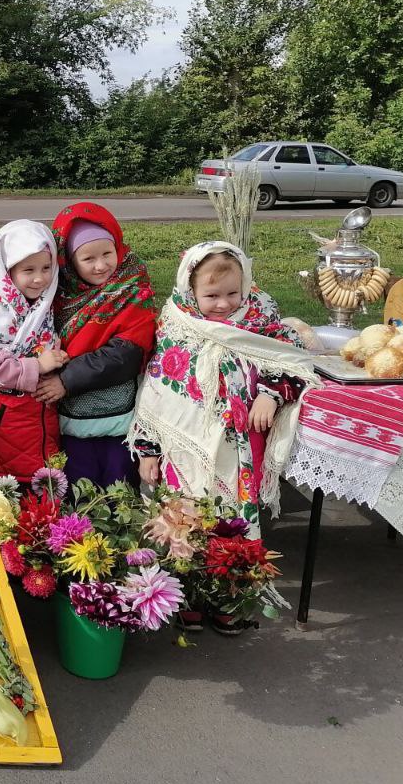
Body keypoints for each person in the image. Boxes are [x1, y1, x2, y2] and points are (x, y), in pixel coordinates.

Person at [128, 241, 317, 631]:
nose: (223, 304)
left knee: (233, 524)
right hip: (183, 451)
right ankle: (190, 597)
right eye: (211, 295)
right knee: (183, 522)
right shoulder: (178, 326)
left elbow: (292, 360)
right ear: (190, 290)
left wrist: (268, 392)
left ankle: (230, 600)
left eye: (233, 293)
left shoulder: (260, 321)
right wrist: (148, 450)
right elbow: (155, 394)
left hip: (238, 451)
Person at [41, 203, 157, 488]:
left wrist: (66, 380)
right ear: (68, 262)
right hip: (72, 420)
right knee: (79, 489)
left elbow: (126, 354)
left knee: (119, 489)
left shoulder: (132, 291)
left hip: (119, 420)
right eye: (88, 258)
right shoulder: (56, 297)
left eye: (108, 253)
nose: (101, 265)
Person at [0, 219, 69, 483]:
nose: (40, 278)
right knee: (2, 501)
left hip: (38, 425)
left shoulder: (41, 303)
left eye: (47, 268)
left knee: (39, 500)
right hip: (1, 428)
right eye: (28, 270)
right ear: (6, 272)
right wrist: (40, 365)